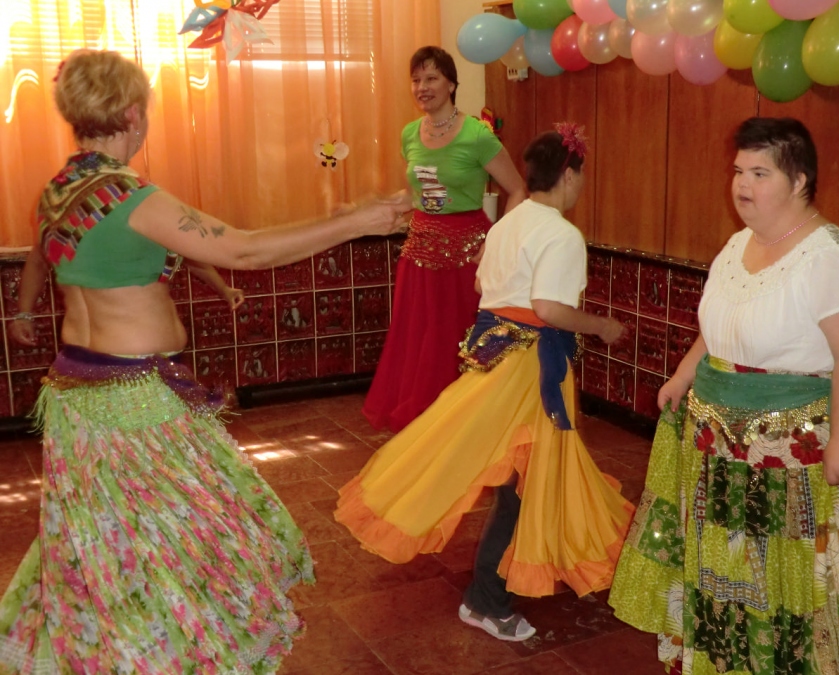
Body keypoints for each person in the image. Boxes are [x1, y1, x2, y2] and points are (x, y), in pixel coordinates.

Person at [0, 49, 408, 675]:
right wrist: (361, 221)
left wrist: (25, 310)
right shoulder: (131, 196)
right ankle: (165, 652)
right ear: (132, 114)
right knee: (191, 531)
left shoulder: (61, 189)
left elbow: (40, 254)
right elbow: (244, 250)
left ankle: (121, 645)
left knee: (115, 532)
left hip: (79, 390)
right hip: (132, 399)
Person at [609, 117, 839, 673]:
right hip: (720, 447)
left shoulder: (834, 259)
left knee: (788, 573)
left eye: (760, 173)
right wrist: (684, 375)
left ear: (799, 181)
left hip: (792, 455)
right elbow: (722, 325)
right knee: (726, 565)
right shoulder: (737, 244)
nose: (742, 183)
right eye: (739, 170)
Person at [337, 125, 634, 642]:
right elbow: (548, 309)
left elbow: (482, 284)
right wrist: (602, 326)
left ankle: (516, 580)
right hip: (528, 369)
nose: (582, 184)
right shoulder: (562, 234)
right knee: (524, 483)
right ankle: (485, 600)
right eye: (581, 175)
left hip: (495, 356)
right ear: (569, 175)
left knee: (523, 477)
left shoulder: (507, 224)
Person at [362, 45, 527, 433]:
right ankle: (426, 419)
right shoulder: (409, 134)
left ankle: (465, 420)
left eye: (432, 78)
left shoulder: (477, 134)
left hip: (467, 255)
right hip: (419, 251)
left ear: (451, 84)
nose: (422, 87)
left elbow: (518, 189)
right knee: (419, 335)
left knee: (458, 336)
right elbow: (419, 194)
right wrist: (374, 209)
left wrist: (494, 243)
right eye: (416, 79)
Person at [9, 253, 245, 347]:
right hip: (106, 361)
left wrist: (224, 289)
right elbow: (38, 261)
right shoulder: (67, 218)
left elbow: (190, 256)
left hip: (153, 365)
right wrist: (24, 314)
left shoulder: (144, 215)